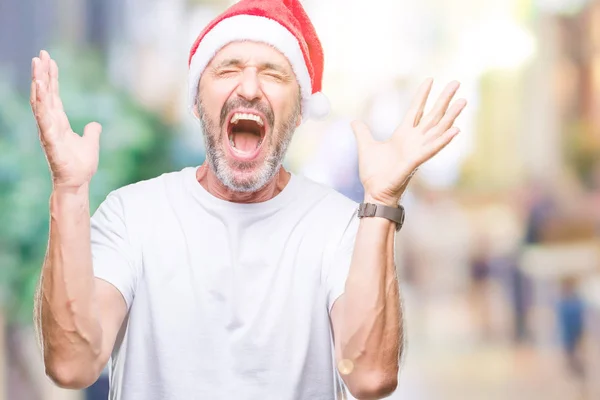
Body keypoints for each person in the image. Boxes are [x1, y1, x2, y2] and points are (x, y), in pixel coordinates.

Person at [30, 0, 466, 398]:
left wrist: (381, 201)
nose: (250, 88)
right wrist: (68, 191)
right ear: (198, 102)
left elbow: (370, 376)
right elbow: (72, 364)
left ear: (299, 112)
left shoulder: (341, 226)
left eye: (274, 73)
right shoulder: (132, 215)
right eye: (228, 69)